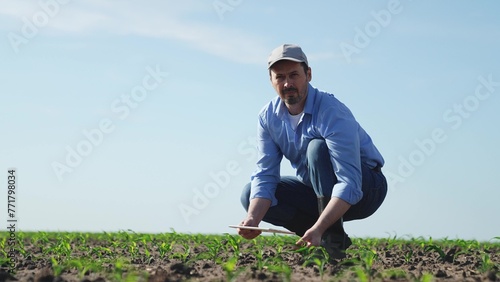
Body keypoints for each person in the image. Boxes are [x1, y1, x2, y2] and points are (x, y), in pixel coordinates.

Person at [238, 44, 388, 259]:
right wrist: (253, 220)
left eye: (294, 75)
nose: (288, 83)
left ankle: (332, 242)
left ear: (308, 74)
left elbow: (350, 183)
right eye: (279, 77)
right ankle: (320, 237)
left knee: (317, 148)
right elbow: (266, 174)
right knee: (250, 193)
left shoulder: (331, 111)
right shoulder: (268, 117)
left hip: (366, 189)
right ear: (270, 80)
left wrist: (321, 227)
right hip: (317, 191)